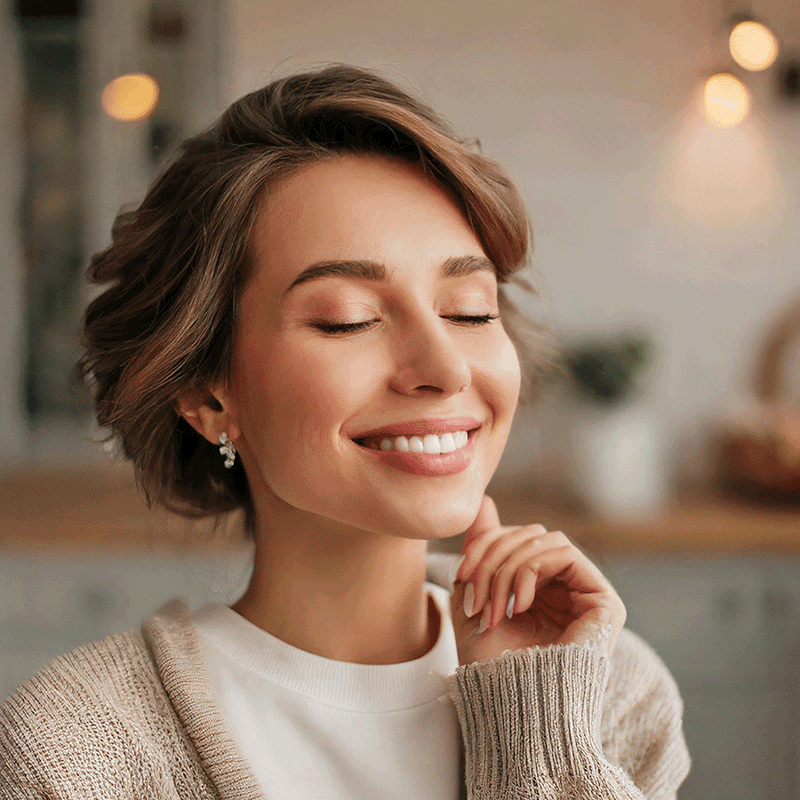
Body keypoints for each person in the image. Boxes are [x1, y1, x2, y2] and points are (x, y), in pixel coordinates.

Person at [0, 63, 690, 799]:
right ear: (207, 394)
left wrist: (537, 730)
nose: (445, 367)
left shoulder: (609, 689)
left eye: (469, 309)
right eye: (348, 319)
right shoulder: (72, 753)